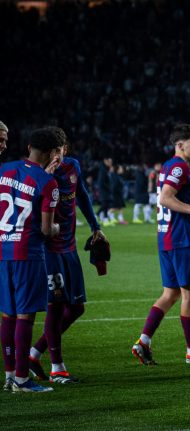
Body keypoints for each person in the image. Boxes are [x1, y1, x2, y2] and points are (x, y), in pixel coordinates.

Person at [131, 124, 190, 365]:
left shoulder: (169, 165)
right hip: (182, 239)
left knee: (171, 293)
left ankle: (144, 341)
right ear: (180, 145)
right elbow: (165, 197)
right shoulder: (179, 166)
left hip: (167, 238)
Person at [27, 129, 106, 384]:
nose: (60, 154)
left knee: (77, 308)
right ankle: (57, 368)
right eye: (55, 150)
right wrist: (43, 178)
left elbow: (81, 194)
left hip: (69, 247)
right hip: (47, 249)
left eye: (62, 149)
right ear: (48, 152)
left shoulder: (73, 167)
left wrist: (95, 226)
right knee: (56, 305)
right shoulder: (33, 176)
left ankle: (34, 353)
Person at [0, 127, 62, 392]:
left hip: (3, 251)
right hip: (28, 253)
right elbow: (47, 230)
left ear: (29, 147)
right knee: (26, 317)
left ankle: (10, 375)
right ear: (50, 154)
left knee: (8, 315)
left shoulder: (4, 170)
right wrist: (60, 228)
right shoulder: (49, 183)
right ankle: (23, 380)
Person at [96, 157, 112, 226]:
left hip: (105, 190)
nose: (111, 163)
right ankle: (103, 218)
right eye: (109, 161)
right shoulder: (103, 170)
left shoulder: (106, 169)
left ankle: (103, 218)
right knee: (105, 204)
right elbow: (101, 182)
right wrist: (108, 188)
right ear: (105, 161)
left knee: (106, 204)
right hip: (103, 190)